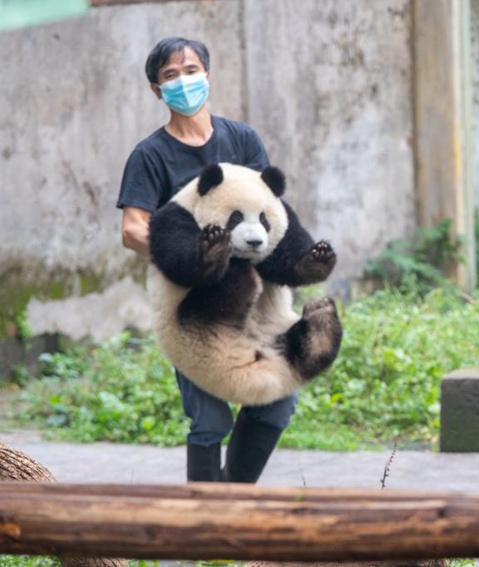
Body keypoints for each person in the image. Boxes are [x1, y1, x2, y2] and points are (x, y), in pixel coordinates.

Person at [117, 37, 297, 484]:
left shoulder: (242, 139)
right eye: (171, 76)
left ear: (208, 75)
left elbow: (269, 210)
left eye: (192, 70)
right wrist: (194, 259)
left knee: (278, 404)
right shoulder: (150, 155)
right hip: (190, 306)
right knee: (210, 421)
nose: (184, 81)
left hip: (253, 301)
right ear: (157, 90)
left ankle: (231, 504)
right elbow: (133, 229)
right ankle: (203, 522)